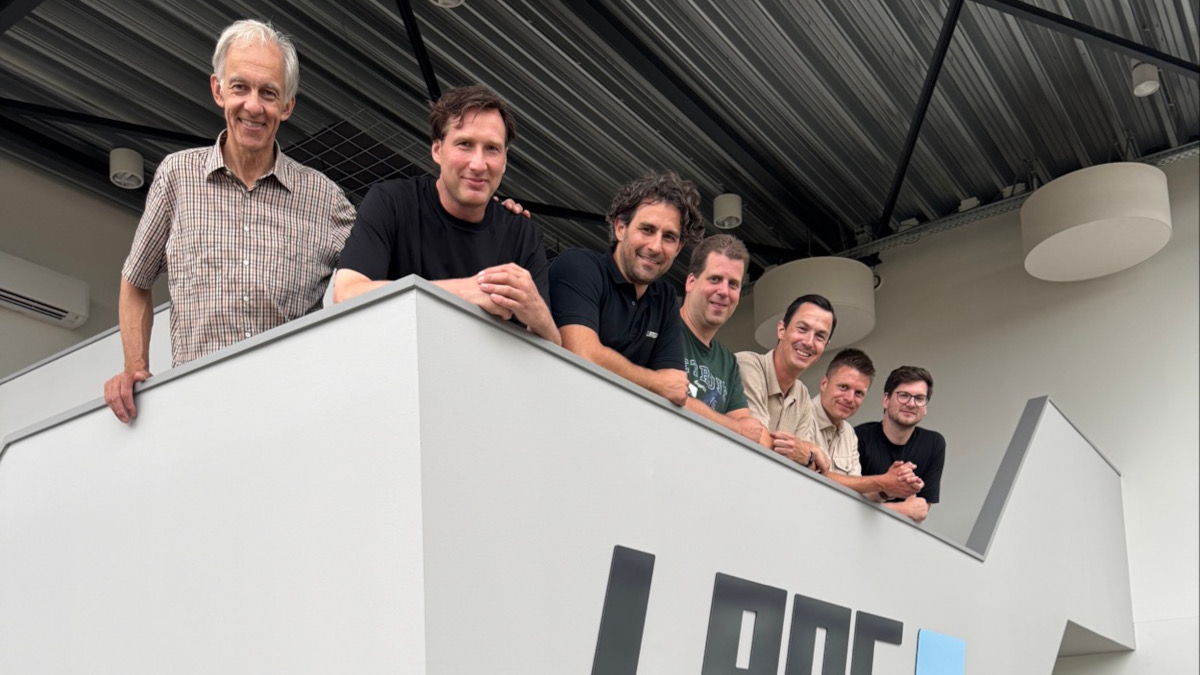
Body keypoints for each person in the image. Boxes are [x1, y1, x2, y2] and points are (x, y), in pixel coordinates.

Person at [104, 19, 356, 423]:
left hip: (290, 413)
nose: (253, 106)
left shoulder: (326, 199)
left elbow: (376, 276)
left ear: (287, 105)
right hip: (195, 410)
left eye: (268, 92)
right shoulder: (177, 176)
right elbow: (135, 281)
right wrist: (135, 366)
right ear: (218, 90)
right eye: (240, 87)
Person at [333, 85, 559, 346]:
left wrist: (539, 315)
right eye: (465, 144)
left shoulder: (523, 234)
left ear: (505, 160)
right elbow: (346, 294)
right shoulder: (392, 201)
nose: (478, 164)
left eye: (492, 148)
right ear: (437, 150)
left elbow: (552, 350)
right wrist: (465, 291)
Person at [549, 171, 705, 405]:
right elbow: (582, 353)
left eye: (669, 237)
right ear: (620, 228)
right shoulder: (580, 266)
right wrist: (656, 382)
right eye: (647, 230)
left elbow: (675, 388)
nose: (655, 246)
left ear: (679, 248)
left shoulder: (664, 299)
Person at [678, 235, 768, 446]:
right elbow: (664, 393)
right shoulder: (662, 327)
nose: (724, 291)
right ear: (691, 282)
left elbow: (750, 430)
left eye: (733, 284)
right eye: (715, 279)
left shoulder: (728, 362)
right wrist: (735, 428)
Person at [811, 349, 924, 507]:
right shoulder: (800, 413)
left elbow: (856, 491)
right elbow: (808, 476)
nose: (849, 398)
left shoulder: (849, 433)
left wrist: (889, 490)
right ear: (824, 383)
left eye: (858, 393)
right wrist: (883, 481)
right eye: (843, 387)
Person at [736, 295, 835, 473]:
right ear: (782, 330)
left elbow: (815, 468)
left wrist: (806, 455)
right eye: (802, 329)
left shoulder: (802, 394)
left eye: (820, 336)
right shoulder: (748, 365)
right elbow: (755, 440)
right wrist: (808, 454)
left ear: (826, 345)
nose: (808, 342)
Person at [855, 366, 946, 523]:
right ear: (886, 400)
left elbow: (920, 510)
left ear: (925, 408)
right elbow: (845, 504)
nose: (911, 404)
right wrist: (902, 509)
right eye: (903, 395)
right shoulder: (857, 437)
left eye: (919, 398)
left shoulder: (934, 444)